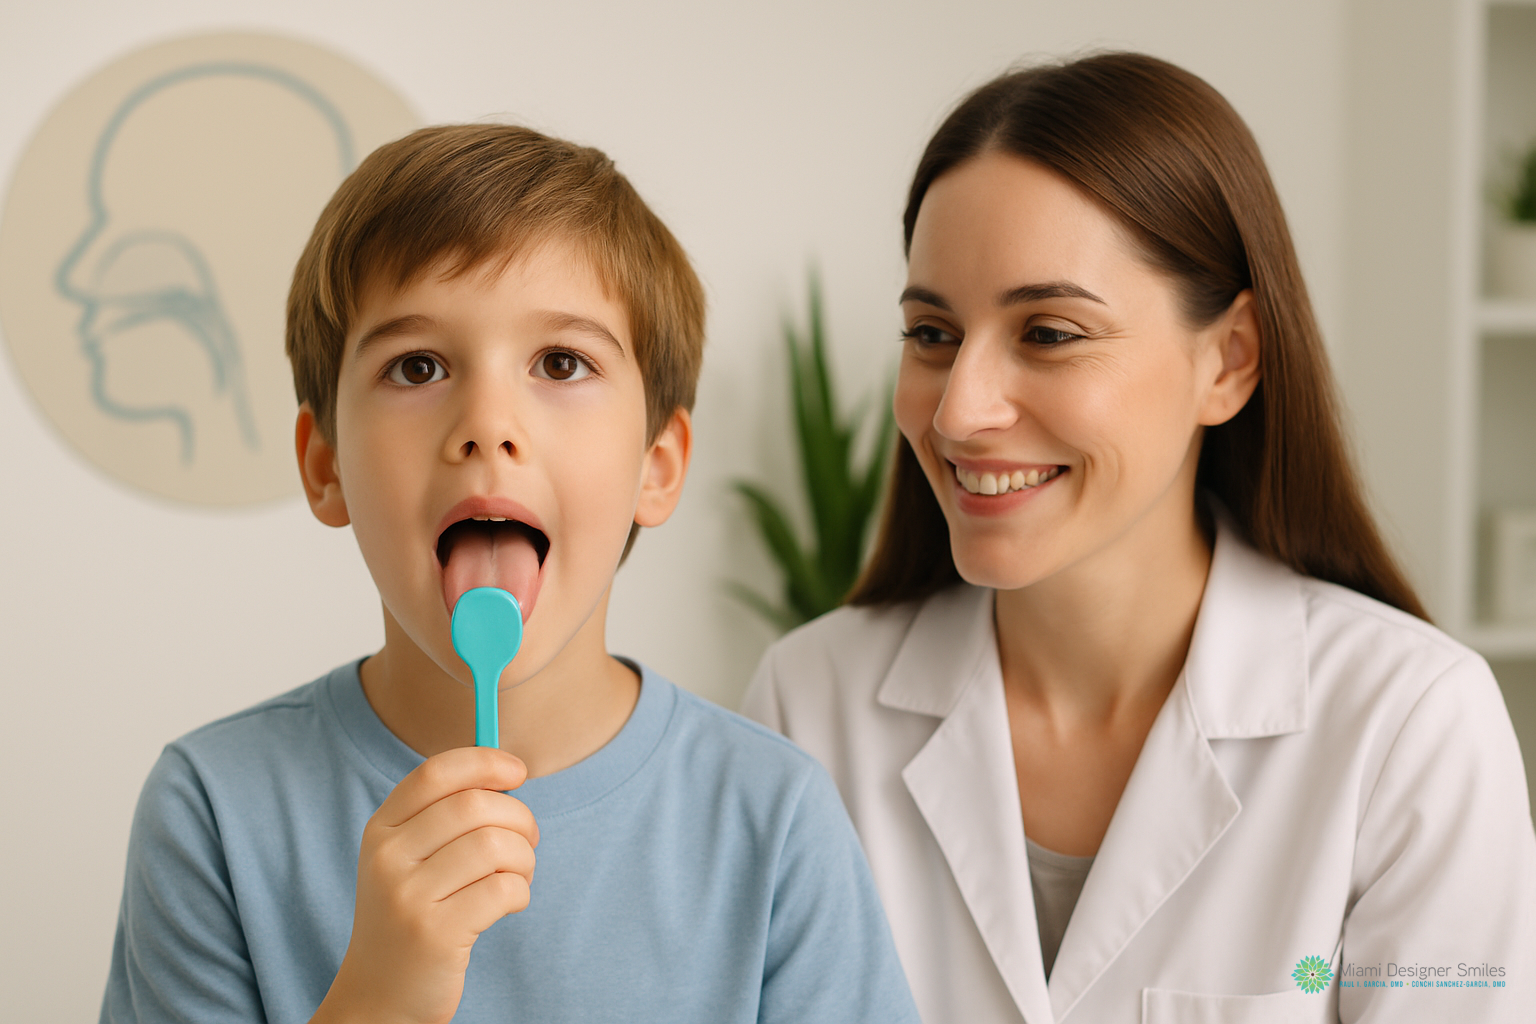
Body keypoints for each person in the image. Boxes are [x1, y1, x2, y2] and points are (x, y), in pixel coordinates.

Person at [743, 52, 1536, 1024]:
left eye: (1050, 332)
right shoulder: (807, 704)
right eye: (932, 334)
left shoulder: (1412, 726)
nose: (958, 410)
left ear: (1229, 362)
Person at [101, 124, 919, 1024]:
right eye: (418, 367)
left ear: (657, 464)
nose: (488, 423)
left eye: (560, 363)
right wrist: (377, 998)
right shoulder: (215, 809)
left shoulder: (774, 821)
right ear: (325, 464)